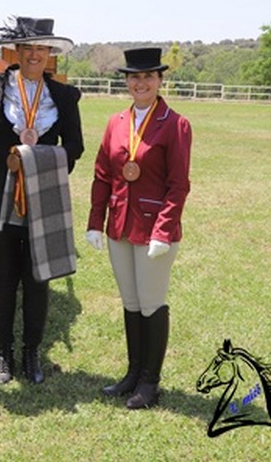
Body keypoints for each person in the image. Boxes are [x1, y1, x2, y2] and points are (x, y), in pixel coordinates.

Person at [0, 17, 84, 385]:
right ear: (16, 52)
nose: (33, 56)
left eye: (41, 50)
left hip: (43, 195)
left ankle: (32, 354)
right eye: (27, 49)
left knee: (37, 277)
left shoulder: (63, 96)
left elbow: (75, 147)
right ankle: (4, 354)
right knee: (3, 276)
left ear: (49, 54)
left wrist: (37, 160)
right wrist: (0, 160)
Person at [85, 47, 192, 409]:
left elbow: (178, 185)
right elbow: (103, 174)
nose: (140, 83)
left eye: (148, 76)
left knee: (151, 304)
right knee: (130, 303)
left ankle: (150, 382)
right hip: (119, 224)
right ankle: (132, 373)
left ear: (160, 80)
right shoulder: (116, 122)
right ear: (127, 81)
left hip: (153, 230)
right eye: (134, 77)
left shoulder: (175, 124)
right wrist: (94, 221)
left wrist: (164, 230)